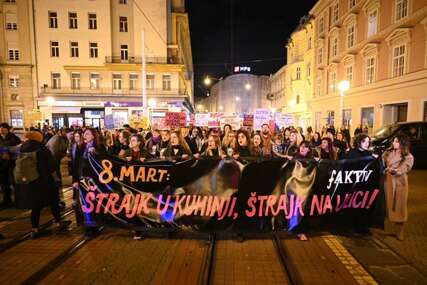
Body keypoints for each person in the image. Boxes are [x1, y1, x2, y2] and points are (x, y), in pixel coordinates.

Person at [14, 130, 71, 239]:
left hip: (30, 182)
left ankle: (34, 228)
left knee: (35, 207)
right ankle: (58, 223)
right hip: (44, 181)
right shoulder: (42, 149)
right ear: (38, 138)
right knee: (54, 201)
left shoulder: (21, 149)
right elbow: (51, 165)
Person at [382, 135, 414, 241]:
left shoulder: (408, 156)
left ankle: (400, 232)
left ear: (402, 143)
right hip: (388, 182)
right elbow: (381, 163)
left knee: (400, 207)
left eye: (396, 141)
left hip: (400, 183)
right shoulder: (388, 153)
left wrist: (395, 170)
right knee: (387, 205)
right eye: (394, 141)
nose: (394, 143)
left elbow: (405, 168)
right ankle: (387, 230)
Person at [0, 123, 21, 206]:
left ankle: (18, 200)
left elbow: (18, 148)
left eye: (3, 128)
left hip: (13, 163)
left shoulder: (14, 138)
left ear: (7, 129)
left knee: (15, 182)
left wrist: (4, 149)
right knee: (4, 183)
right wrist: (3, 151)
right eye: (0, 128)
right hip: (2, 164)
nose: (1, 129)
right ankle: (6, 200)